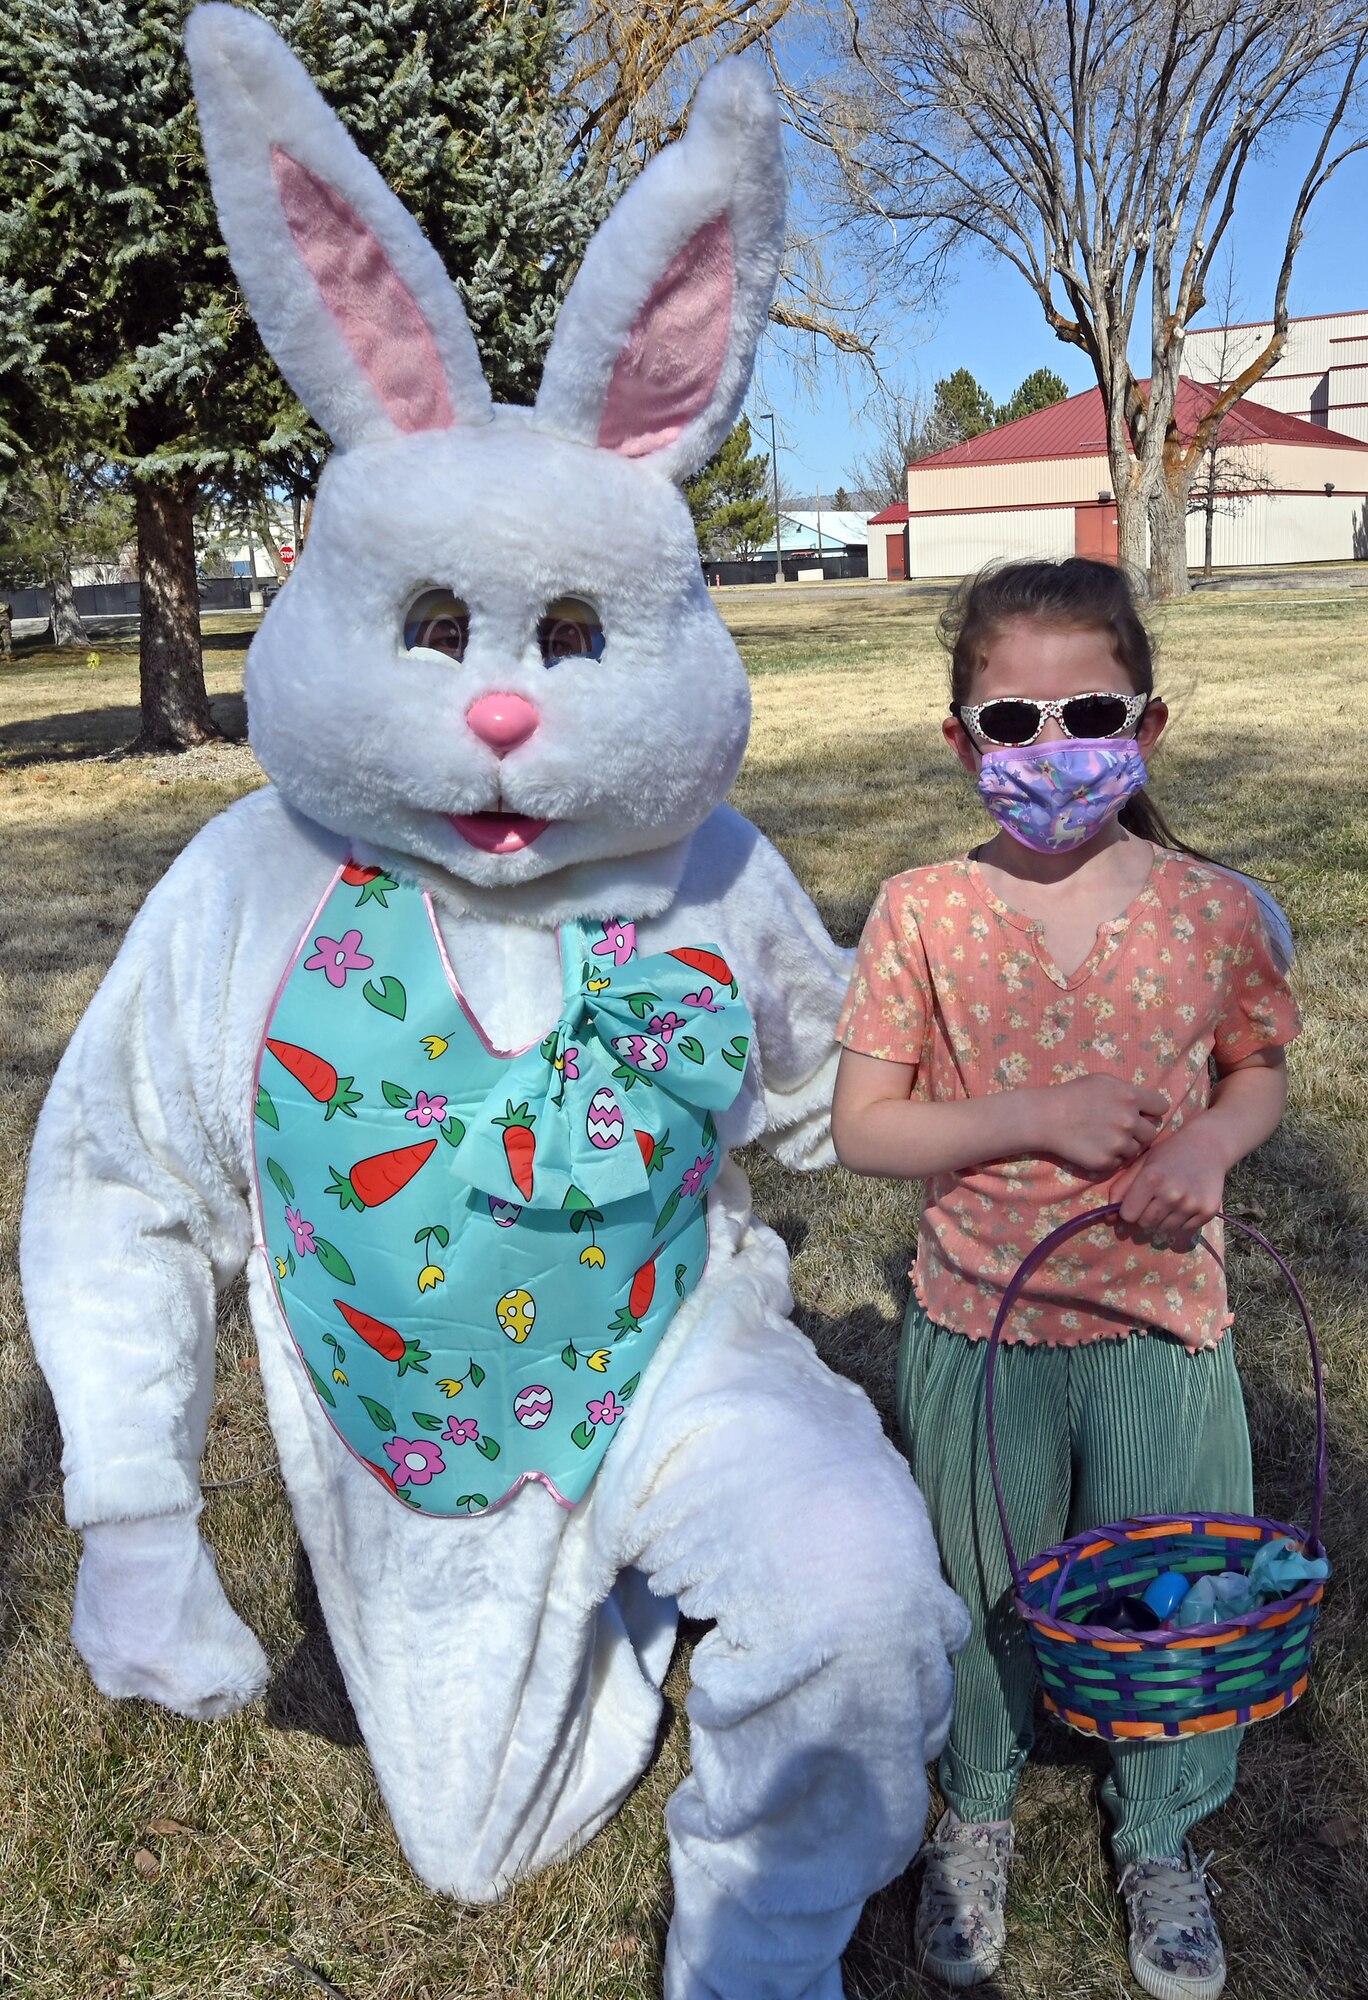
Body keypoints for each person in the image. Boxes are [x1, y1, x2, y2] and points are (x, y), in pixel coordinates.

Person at [831, 558, 1301, 1998]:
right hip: (981, 1331)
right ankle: (975, 1809)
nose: (1050, 750)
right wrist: (1031, 1115)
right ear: (963, 742)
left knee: (1177, 1592)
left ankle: (1160, 1831)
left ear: (1144, 727)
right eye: (1010, 722)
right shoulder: (921, 912)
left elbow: (1256, 1073)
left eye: (1085, 711)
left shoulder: (1216, 911)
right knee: (980, 1590)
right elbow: (864, 1128)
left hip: (1164, 1328)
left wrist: (1216, 1147)